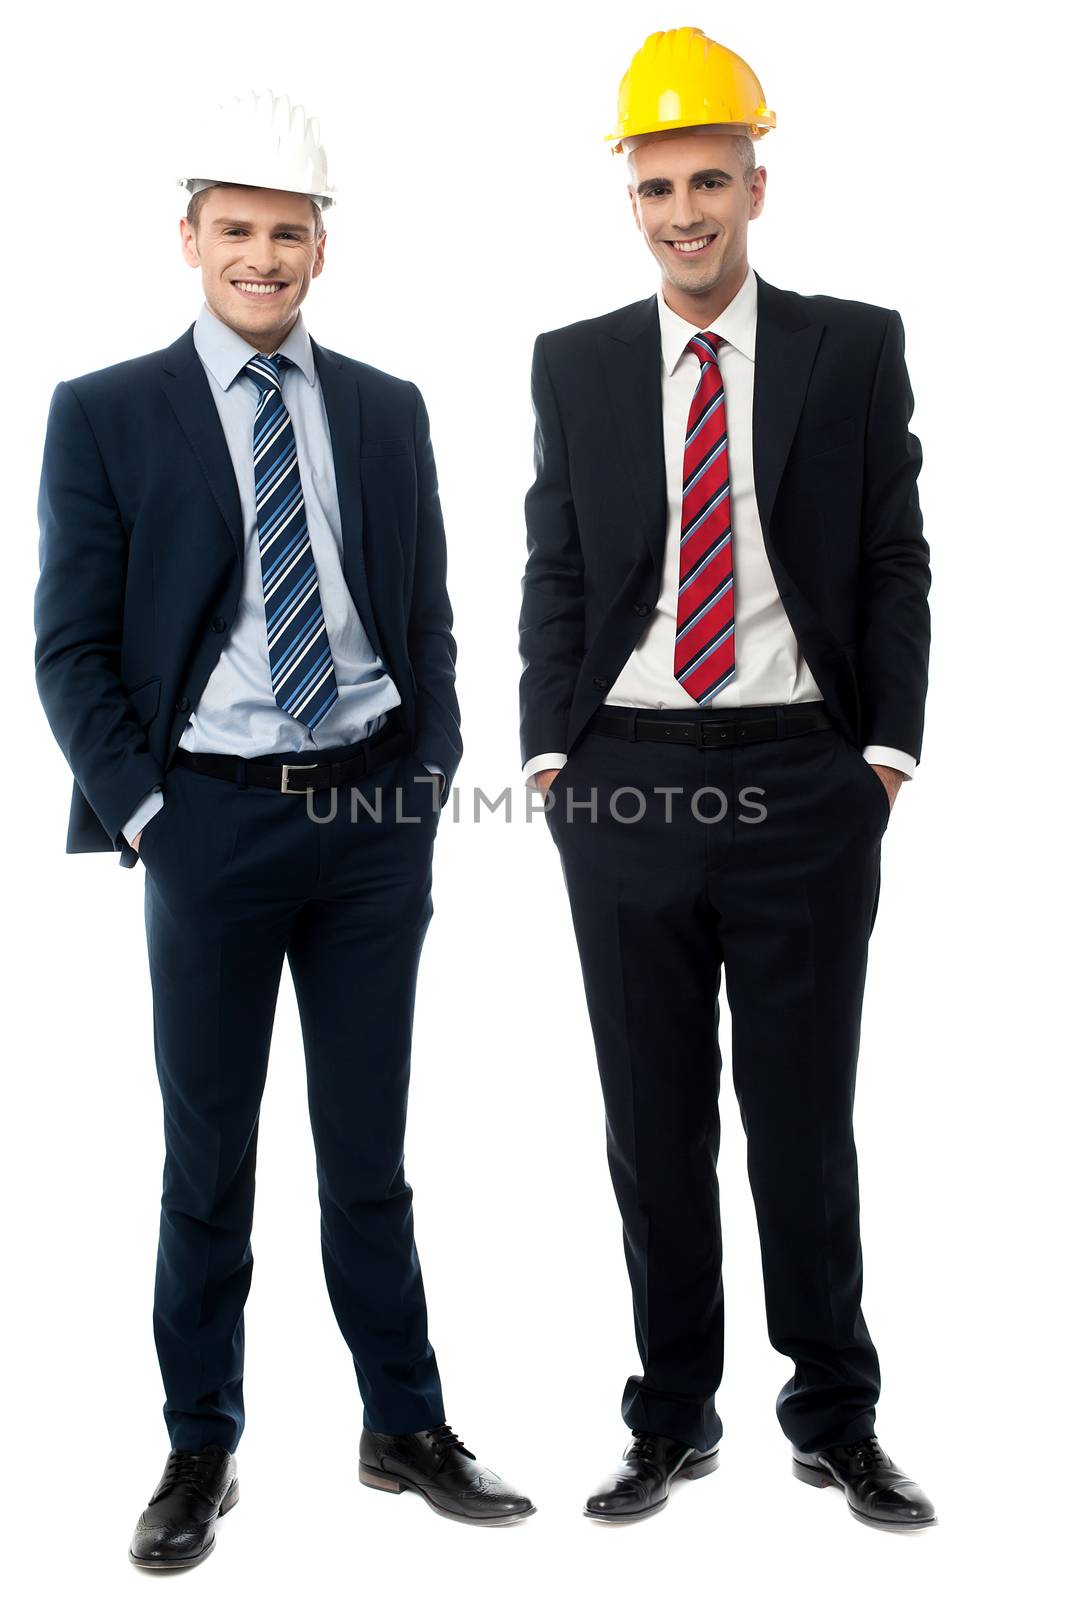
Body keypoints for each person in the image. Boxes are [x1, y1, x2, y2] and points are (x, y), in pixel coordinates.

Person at [34, 90, 534, 1569]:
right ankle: (200, 1445)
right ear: (190, 237)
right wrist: (148, 814)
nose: (263, 257)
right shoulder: (106, 411)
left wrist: (427, 773)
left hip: (372, 820)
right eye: (237, 231)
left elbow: (426, 611)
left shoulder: (383, 407)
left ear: (324, 246)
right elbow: (68, 646)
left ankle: (402, 1422)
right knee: (209, 1159)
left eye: (289, 233)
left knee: (366, 1151)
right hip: (212, 828)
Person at [518, 30, 935, 1530]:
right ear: (626, 196)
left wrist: (884, 750)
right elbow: (555, 563)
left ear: (757, 178)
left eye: (708, 179)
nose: (682, 212)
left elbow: (892, 554)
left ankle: (834, 1411)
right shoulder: (573, 363)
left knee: (802, 1118)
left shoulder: (850, 344)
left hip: (800, 783)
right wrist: (551, 755)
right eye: (655, 187)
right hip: (624, 780)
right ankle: (669, 1415)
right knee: (651, 1121)